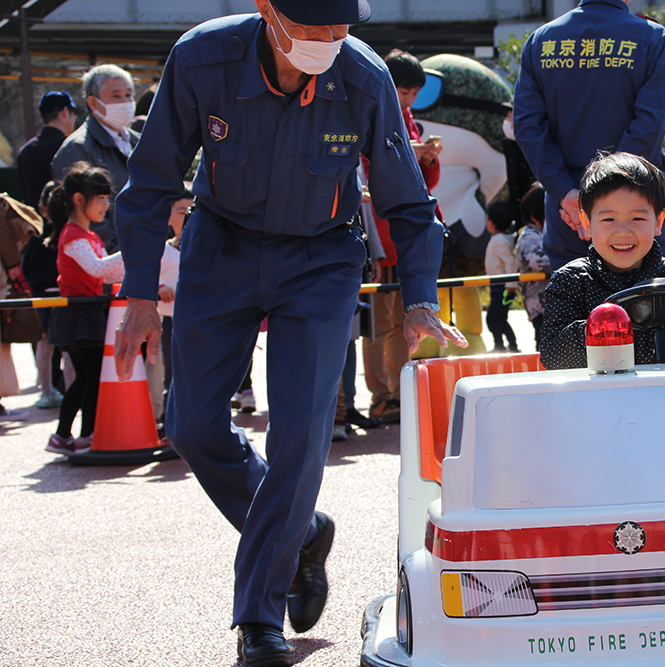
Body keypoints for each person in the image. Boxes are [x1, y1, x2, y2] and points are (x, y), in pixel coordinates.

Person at [111, 2, 466, 665]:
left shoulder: (363, 79)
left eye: (342, 28)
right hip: (221, 249)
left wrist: (419, 297)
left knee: (301, 434)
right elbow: (151, 179)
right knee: (189, 424)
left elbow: (408, 203)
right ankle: (301, 531)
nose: (331, 42)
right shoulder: (199, 60)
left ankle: (259, 618)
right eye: (314, 29)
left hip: (321, 261)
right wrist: (135, 289)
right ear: (268, 10)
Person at [512, 0, 665, 272]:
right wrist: (606, 196)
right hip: (635, 206)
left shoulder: (541, 40)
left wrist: (567, 195)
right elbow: (649, 124)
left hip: (566, 207)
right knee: (655, 302)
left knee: (573, 305)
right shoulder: (653, 37)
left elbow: (527, 127)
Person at [540, 152, 665, 370]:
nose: (623, 232)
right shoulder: (570, 281)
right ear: (587, 222)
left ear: (658, 222)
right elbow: (552, 356)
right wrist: (602, 327)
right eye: (609, 219)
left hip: (664, 395)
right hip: (596, 398)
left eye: (637, 218)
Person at [363, 48, 443, 424]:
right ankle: (381, 395)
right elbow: (367, 168)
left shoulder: (409, 121)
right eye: (402, 91)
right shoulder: (369, 110)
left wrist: (427, 158)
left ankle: (399, 392)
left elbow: (423, 186)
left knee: (403, 322)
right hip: (379, 237)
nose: (407, 100)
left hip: (405, 240)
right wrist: (412, 151)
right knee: (379, 324)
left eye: (413, 94)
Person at [45, 164, 125, 455]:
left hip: (87, 310)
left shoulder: (89, 236)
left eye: (107, 198)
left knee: (88, 376)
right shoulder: (73, 235)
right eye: (100, 198)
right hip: (78, 312)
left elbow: (107, 273)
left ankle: (68, 435)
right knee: (90, 376)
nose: (106, 204)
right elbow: (98, 269)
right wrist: (133, 249)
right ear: (79, 199)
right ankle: (82, 435)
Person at [51, 64, 138, 254]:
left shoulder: (139, 141)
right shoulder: (78, 148)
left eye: (129, 95)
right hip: (111, 264)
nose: (125, 102)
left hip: (148, 253)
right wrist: (119, 257)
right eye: (115, 96)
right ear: (93, 103)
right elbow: (84, 214)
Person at [146, 187, 193, 423]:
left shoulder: (205, 248)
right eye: (181, 210)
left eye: (192, 210)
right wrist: (159, 288)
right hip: (171, 321)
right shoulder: (161, 250)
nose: (187, 215)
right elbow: (145, 278)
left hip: (200, 321)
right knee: (172, 375)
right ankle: (169, 425)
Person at [20, 181, 68, 408]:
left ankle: (47, 390)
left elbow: (26, 266)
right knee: (68, 345)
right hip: (65, 292)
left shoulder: (35, 234)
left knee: (45, 342)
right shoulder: (69, 232)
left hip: (40, 292)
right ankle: (71, 389)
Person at [17, 91, 80, 212]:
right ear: (65, 112)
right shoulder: (70, 147)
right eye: (73, 113)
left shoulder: (25, 150)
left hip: (34, 225)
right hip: (62, 225)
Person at [516, 182, 551, 349]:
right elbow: (539, 263)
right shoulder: (529, 236)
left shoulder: (542, 234)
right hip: (539, 304)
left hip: (548, 302)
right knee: (545, 342)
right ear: (536, 216)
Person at [484, 199, 519, 353]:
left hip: (502, 286)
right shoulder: (501, 238)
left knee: (493, 318)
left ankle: (503, 345)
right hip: (498, 285)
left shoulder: (499, 240)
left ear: (491, 223)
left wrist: (511, 286)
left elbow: (510, 262)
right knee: (499, 318)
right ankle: (507, 345)